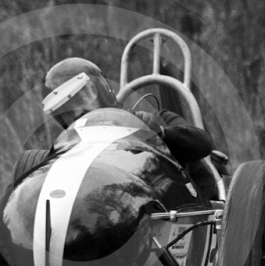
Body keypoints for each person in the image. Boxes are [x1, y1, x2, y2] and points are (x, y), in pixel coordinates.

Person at [41, 57, 223, 199]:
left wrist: (159, 133)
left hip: (178, 210)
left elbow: (202, 143)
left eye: (80, 99)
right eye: (65, 111)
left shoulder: (159, 119)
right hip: (111, 218)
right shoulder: (70, 151)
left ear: (100, 90)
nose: (77, 112)